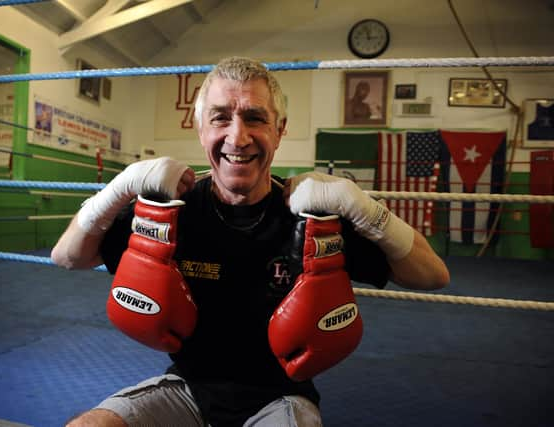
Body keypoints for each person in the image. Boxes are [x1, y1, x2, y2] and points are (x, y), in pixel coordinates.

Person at [51, 56, 450, 427]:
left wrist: (365, 208)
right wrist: (118, 190)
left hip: (282, 398)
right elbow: (68, 256)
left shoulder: (314, 218)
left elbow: (432, 276)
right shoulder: (170, 211)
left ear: (280, 129)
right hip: (187, 389)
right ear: (201, 128)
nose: (237, 137)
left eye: (255, 118)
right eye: (221, 118)